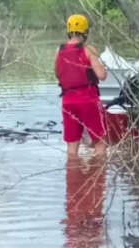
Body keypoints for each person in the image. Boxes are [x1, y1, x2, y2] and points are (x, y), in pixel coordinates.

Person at [55, 14, 109, 156]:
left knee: (72, 146)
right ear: (86, 31)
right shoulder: (89, 50)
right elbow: (102, 76)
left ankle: (72, 170)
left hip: (68, 102)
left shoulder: (59, 51)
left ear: (68, 31)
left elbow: (58, 74)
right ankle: (99, 169)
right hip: (88, 100)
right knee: (100, 142)